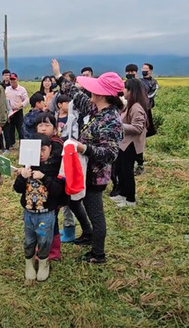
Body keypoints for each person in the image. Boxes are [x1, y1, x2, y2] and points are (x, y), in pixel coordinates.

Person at [66, 71, 124, 263]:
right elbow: (77, 96)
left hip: (95, 175)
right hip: (83, 171)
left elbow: (111, 154)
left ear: (101, 94)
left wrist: (84, 148)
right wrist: (59, 76)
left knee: (95, 213)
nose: (89, 90)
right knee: (73, 200)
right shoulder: (96, 110)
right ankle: (88, 233)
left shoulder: (111, 120)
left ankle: (98, 254)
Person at [14, 134, 65, 281]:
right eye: (38, 151)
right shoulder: (28, 166)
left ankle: (43, 262)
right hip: (29, 212)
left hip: (46, 213)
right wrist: (22, 177)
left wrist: (44, 177)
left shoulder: (55, 167)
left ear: (50, 148)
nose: (41, 154)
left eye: (44, 150)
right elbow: (17, 189)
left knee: (44, 240)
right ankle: (29, 262)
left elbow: (58, 190)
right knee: (29, 240)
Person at [111, 78, 148, 207]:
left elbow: (138, 128)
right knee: (121, 170)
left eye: (125, 88)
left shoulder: (137, 107)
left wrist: (120, 126)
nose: (123, 90)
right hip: (124, 143)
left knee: (127, 171)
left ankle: (130, 199)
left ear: (131, 91)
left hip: (131, 145)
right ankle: (123, 194)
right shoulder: (130, 105)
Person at [35, 112, 66, 258]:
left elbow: (53, 165)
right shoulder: (34, 143)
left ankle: (53, 250)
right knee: (39, 218)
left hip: (54, 188)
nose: (43, 128)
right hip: (37, 190)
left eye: (47, 125)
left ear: (54, 129)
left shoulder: (57, 145)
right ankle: (41, 245)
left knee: (52, 220)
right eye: (40, 125)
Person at [3, 73, 28, 150]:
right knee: (10, 129)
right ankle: (11, 144)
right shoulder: (7, 90)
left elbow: (26, 100)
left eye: (14, 79)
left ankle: (22, 146)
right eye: (11, 80)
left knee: (20, 129)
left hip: (18, 111)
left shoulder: (22, 89)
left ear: (17, 79)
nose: (13, 81)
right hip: (10, 111)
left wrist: (21, 105)